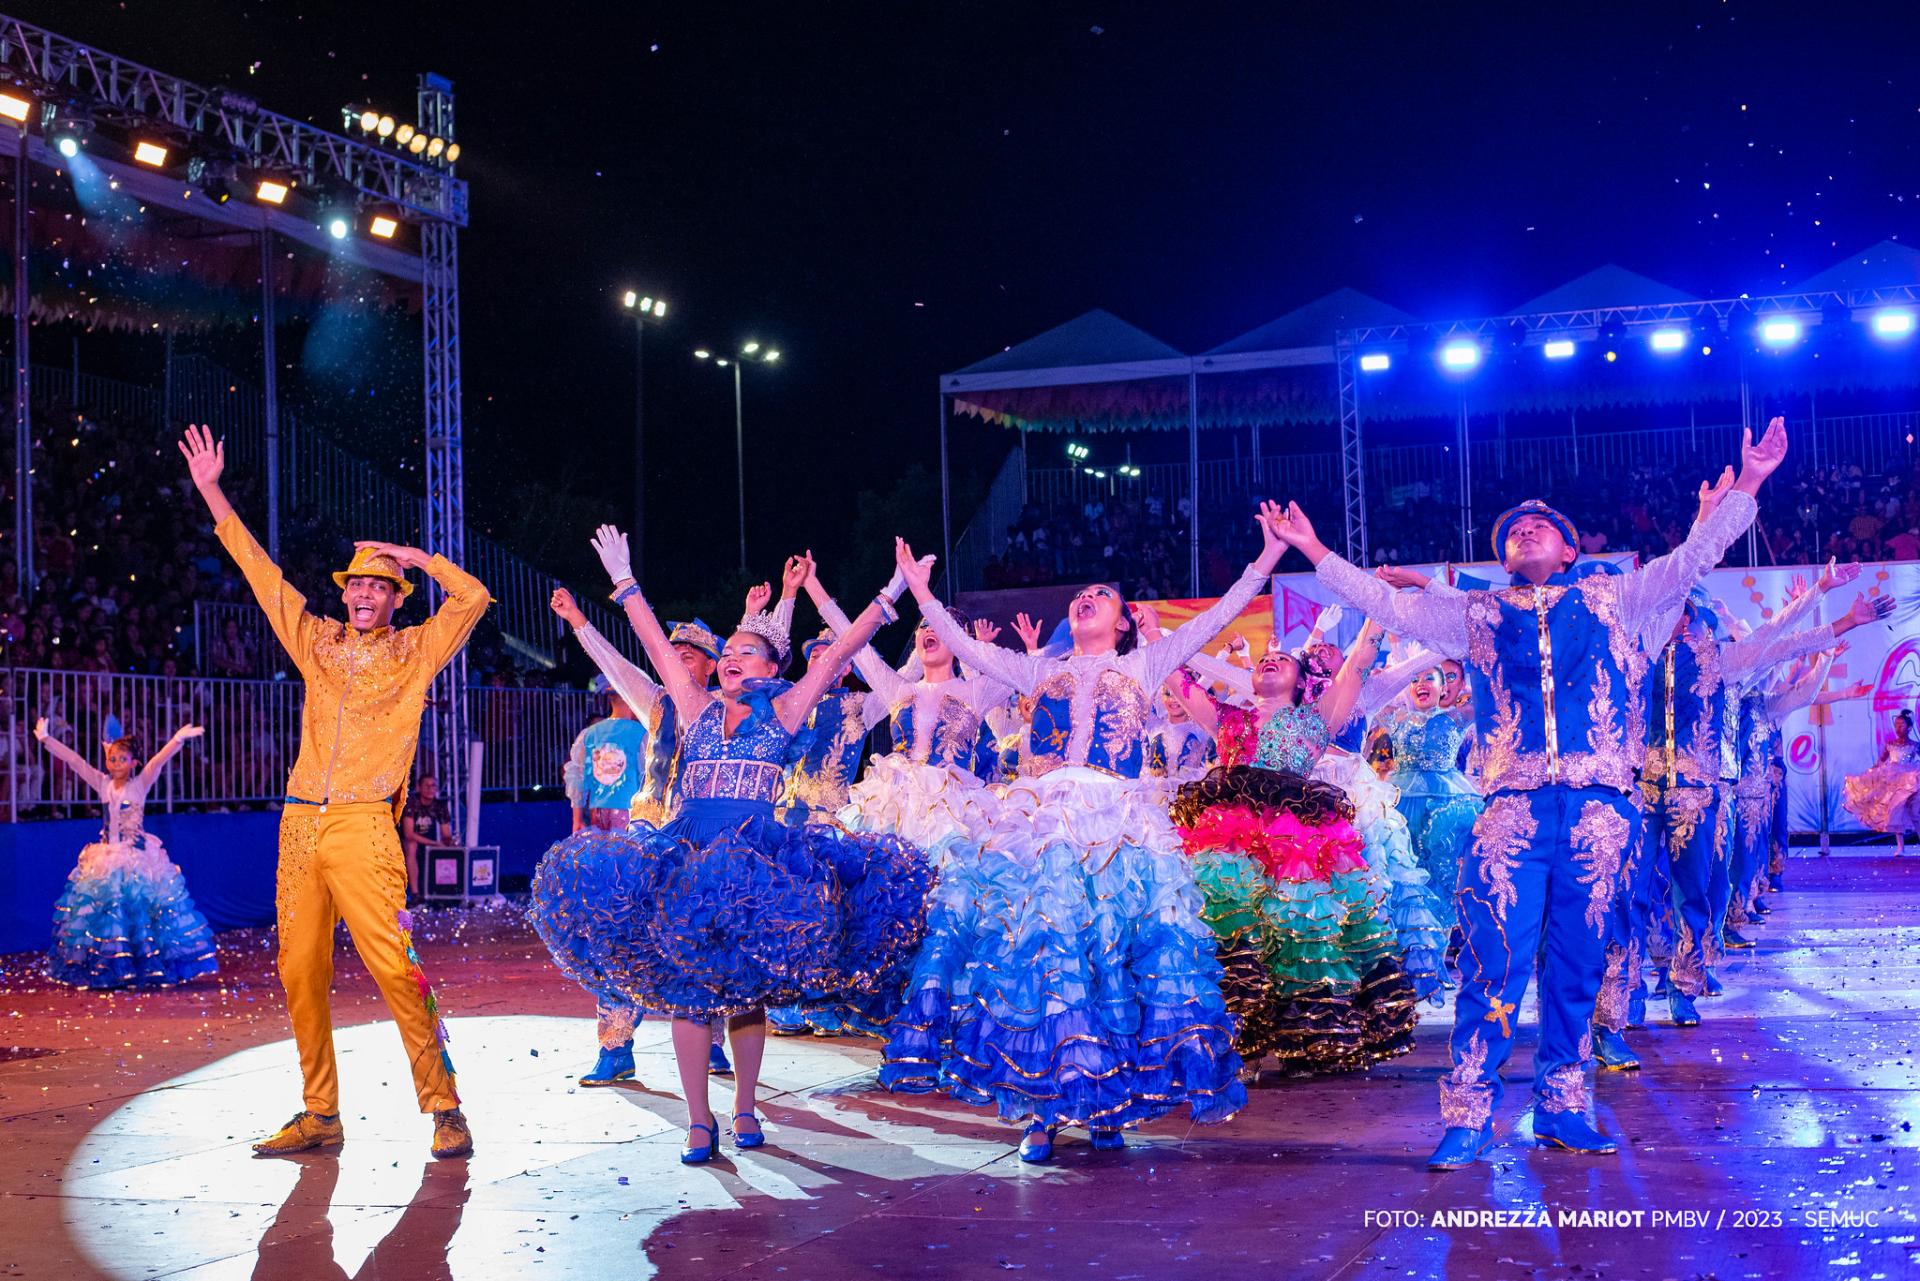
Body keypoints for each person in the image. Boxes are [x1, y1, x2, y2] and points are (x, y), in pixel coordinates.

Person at [1271, 418, 1787, 1168]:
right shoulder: (1475, 614)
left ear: (1573, 551)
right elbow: (1388, 608)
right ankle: (1470, 1111)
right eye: (1515, 528)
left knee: (1578, 964)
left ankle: (1564, 1104)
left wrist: (1751, 482)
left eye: (1544, 525)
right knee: (1492, 962)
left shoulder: (1621, 597)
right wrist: (1315, 550)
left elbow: (1694, 556)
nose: (1528, 527)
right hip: (1511, 809)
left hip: (1601, 812)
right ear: (1502, 554)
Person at [881, 504, 1290, 1164]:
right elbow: (964, 647)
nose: (1086, 600)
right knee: (1044, 963)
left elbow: (1216, 618)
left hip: (1118, 827)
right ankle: (1040, 1106)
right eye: (1079, 596)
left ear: (1123, 619)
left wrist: (1268, 558)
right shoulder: (1038, 670)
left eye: (1101, 595)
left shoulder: (1145, 666)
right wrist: (922, 591)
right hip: (1044, 824)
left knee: (1113, 966)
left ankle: (1104, 1100)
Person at [530, 526, 931, 1166]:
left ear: (773, 670)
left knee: (744, 994)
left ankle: (744, 1107)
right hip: (687, 854)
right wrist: (624, 580)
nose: (734, 659)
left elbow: (838, 652)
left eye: (749, 652)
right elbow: (657, 646)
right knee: (690, 991)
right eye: (731, 652)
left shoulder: (789, 708)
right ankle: (697, 1121)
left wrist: (893, 591)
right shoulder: (694, 704)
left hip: (757, 858)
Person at [179, 424, 489, 1161]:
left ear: (394, 599)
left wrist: (422, 558)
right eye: (357, 585)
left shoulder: (416, 650)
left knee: (392, 964)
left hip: (363, 824)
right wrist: (213, 491)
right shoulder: (315, 641)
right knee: (298, 968)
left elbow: (474, 598)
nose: (364, 595)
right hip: (299, 822)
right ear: (345, 594)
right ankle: (321, 1111)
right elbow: (261, 575)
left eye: (379, 587)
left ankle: (444, 1105)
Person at [548, 584, 784, 1084]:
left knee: (713, 937)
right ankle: (615, 1045)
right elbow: (616, 664)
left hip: (706, 840)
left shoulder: (734, 711)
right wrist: (576, 620)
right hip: (651, 834)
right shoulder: (656, 703)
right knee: (624, 936)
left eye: (689, 654)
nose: (675, 659)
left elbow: (770, 679)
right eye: (672, 652)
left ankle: (713, 1040)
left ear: (710, 664)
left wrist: (763, 612)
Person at [1162, 622, 1424, 1073]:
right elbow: (1174, 675)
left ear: (1302, 682)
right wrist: (1154, 636)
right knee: (1231, 932)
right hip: (1226, 838)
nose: (1269, 660)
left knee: (1298, 932)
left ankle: (1306, 1041)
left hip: (1297, 838)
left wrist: (1377, 615)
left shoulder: (1317, 716)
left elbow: (1360, 659)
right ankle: (1237, 1043)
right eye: (1265, 659)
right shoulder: (1226, 716)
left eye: (1282, 660)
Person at [36, 715, 216, 988]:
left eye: (122, 759)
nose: (116, 764)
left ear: (133, 762)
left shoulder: (140, 784)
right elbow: (75, 761)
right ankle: (112, 967)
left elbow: (158, 762)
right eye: (112, 759)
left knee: (139, 913)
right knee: (109, 915)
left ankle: (145, 966)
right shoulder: (101, 782)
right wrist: (47, 739)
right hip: (106, 857)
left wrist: (177, 739)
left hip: (137, 857)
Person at [1845, 709, 1920, 853]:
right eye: (1896, 724)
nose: (1898, 728)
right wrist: (1869, 776)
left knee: (1915, 813)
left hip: (1910, 781)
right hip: (1893, 780)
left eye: (1901, 725)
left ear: (1909, 728)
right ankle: (1900, 847)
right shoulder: (1890, 744)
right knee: (1896, 812)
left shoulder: (1915, 745)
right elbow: (1881, 762)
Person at [399, 775, 454, 904]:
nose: (430, 789)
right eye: (427, 786)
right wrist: (435, 843)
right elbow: (408, 834)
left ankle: (446, 892)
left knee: (451, 848)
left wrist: (449, 842)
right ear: (419, 788)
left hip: (427, 839)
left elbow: (446, 833)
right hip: (405, 841)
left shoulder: (439, 805)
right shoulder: (411, 803)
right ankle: (416, 894)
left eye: (433, 786)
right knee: (411, 845)